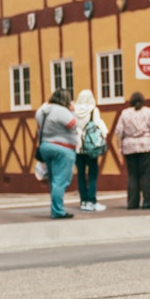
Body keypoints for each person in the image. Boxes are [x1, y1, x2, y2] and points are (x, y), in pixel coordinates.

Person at [34, 88, 79, 220]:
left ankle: (55, 208)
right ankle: (58, 211)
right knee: (60, 181)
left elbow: (38, 129)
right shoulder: (62, 111)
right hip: (63, 148)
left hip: (46, 146)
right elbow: (73, 125)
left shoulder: (42, 110)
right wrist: (73, 111)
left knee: (53, 180)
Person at [116, 91, 150, 210]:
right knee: (147, 175)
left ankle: (132, 202)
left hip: (129, 146)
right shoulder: (148, 112)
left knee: (132, 175)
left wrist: (119, 147)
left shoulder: (124, 113)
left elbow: (119, 132)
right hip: (146, 145)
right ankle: (148, 201)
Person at [73, 88, 107, 212]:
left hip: (78, 147)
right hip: (91, 147)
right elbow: (97, 126)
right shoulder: (94, 110)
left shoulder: (74, 111)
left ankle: (83, 201)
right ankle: (92, 200)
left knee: (81, 174)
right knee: (92, 174)